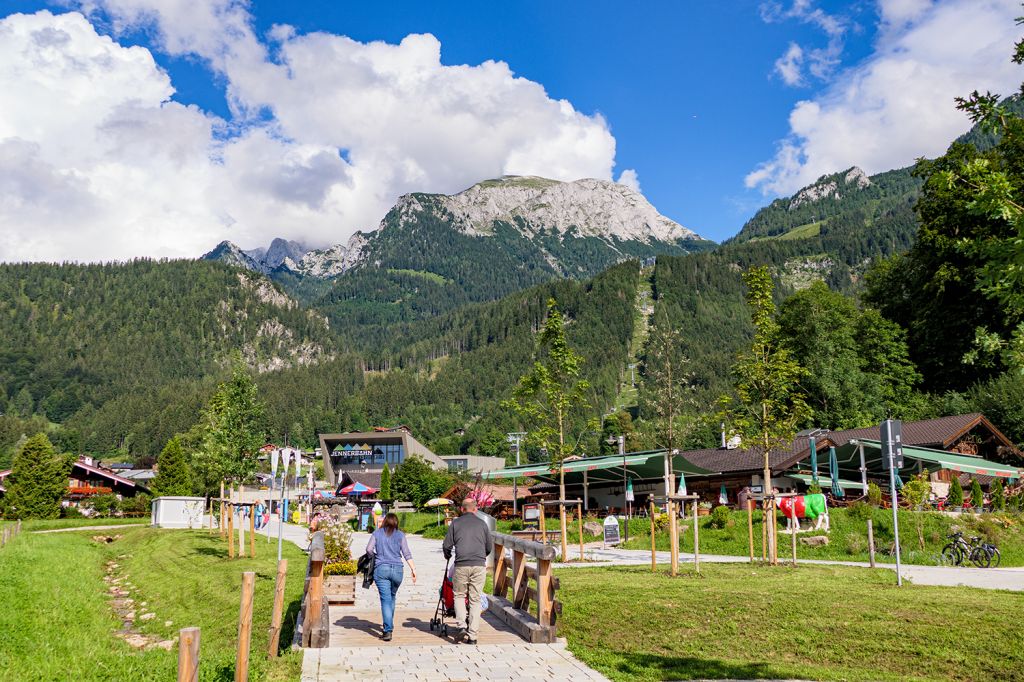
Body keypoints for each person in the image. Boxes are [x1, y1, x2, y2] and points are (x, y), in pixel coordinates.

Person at [442, 497, 491, 644]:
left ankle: (461, 626)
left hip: (461, 564)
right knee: (475, 599)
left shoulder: (456, 523)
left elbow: (446, 545)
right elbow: (489, 547)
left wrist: (447, 554)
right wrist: (480, 556)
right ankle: (473, 636)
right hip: (478, 564)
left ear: (462, 509)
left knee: (459, 595)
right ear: (475, 509)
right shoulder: (482, 524)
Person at [365, 512, 417, 641]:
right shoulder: (400, 535)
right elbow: (407, 553)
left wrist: (376, 556)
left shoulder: (377, 533)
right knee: (392, 597)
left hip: (381, 569)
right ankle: (389, 624)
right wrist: (413, 569)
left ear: (385, 522)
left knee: (385, 600)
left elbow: (368, 549)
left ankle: (388, 630)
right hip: (398, 570)